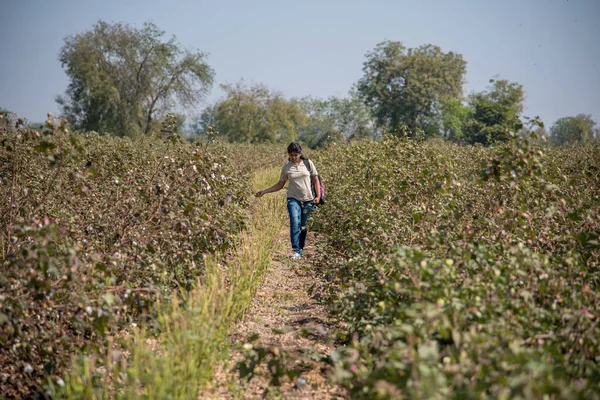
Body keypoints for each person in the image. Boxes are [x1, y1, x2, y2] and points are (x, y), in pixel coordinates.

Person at [255, 142, 321, 259]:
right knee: (295, 222)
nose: (294, 157)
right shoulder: (286, 168)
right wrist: (264, 191)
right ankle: (295, 250)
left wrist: (318, 196)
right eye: (291, 155)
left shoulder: (308, 164)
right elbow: (280, 185)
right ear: (289, 155)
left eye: (296, 155)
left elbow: (316, 180)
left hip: (308, 200)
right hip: (293, 198)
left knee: (304, 225)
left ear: (300, 153)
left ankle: (301, 248)